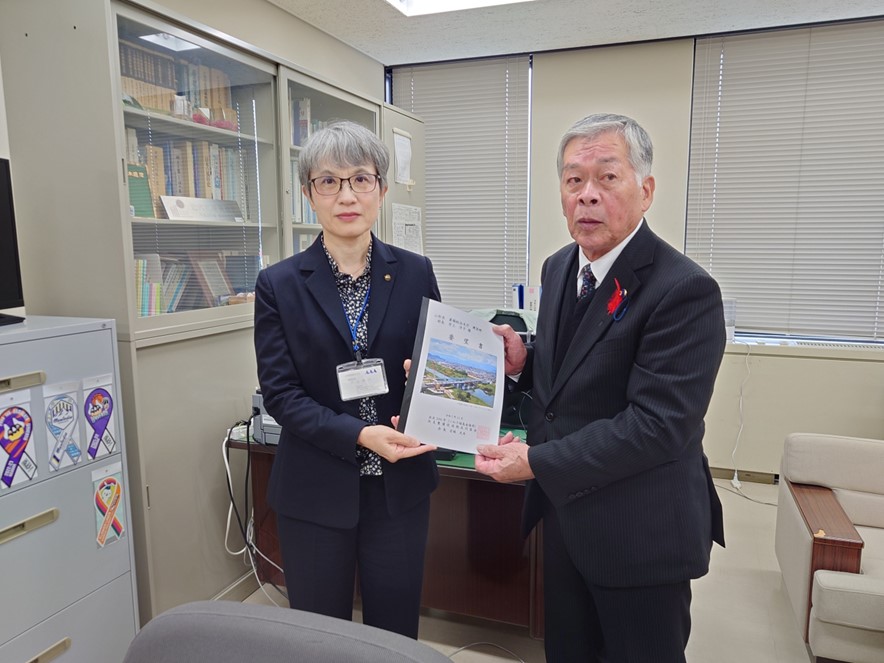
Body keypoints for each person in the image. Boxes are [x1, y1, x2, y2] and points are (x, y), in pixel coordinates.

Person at [475, 113, 726, 662]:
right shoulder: (561, 266)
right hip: (568, 520)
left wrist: (536, 461)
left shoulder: (684, 289)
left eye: (607, 178)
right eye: (573, 180)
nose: (587, 195)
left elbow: (658, 426)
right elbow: (578, 366)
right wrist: (524, 359)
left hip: (640, 531)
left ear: (645, 190)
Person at [253, 120, 439, 639]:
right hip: (315, 487)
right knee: (320, 637)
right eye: (328, 181)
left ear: (381, 188)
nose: (346, 194)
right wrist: (358, 434)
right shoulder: (279, 284)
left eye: (360, 178)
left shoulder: (416, 271)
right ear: (309, 193)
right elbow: (281, 396)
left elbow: (434, 368)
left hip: (398, 487)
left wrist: (424, 383)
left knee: (395, 633)